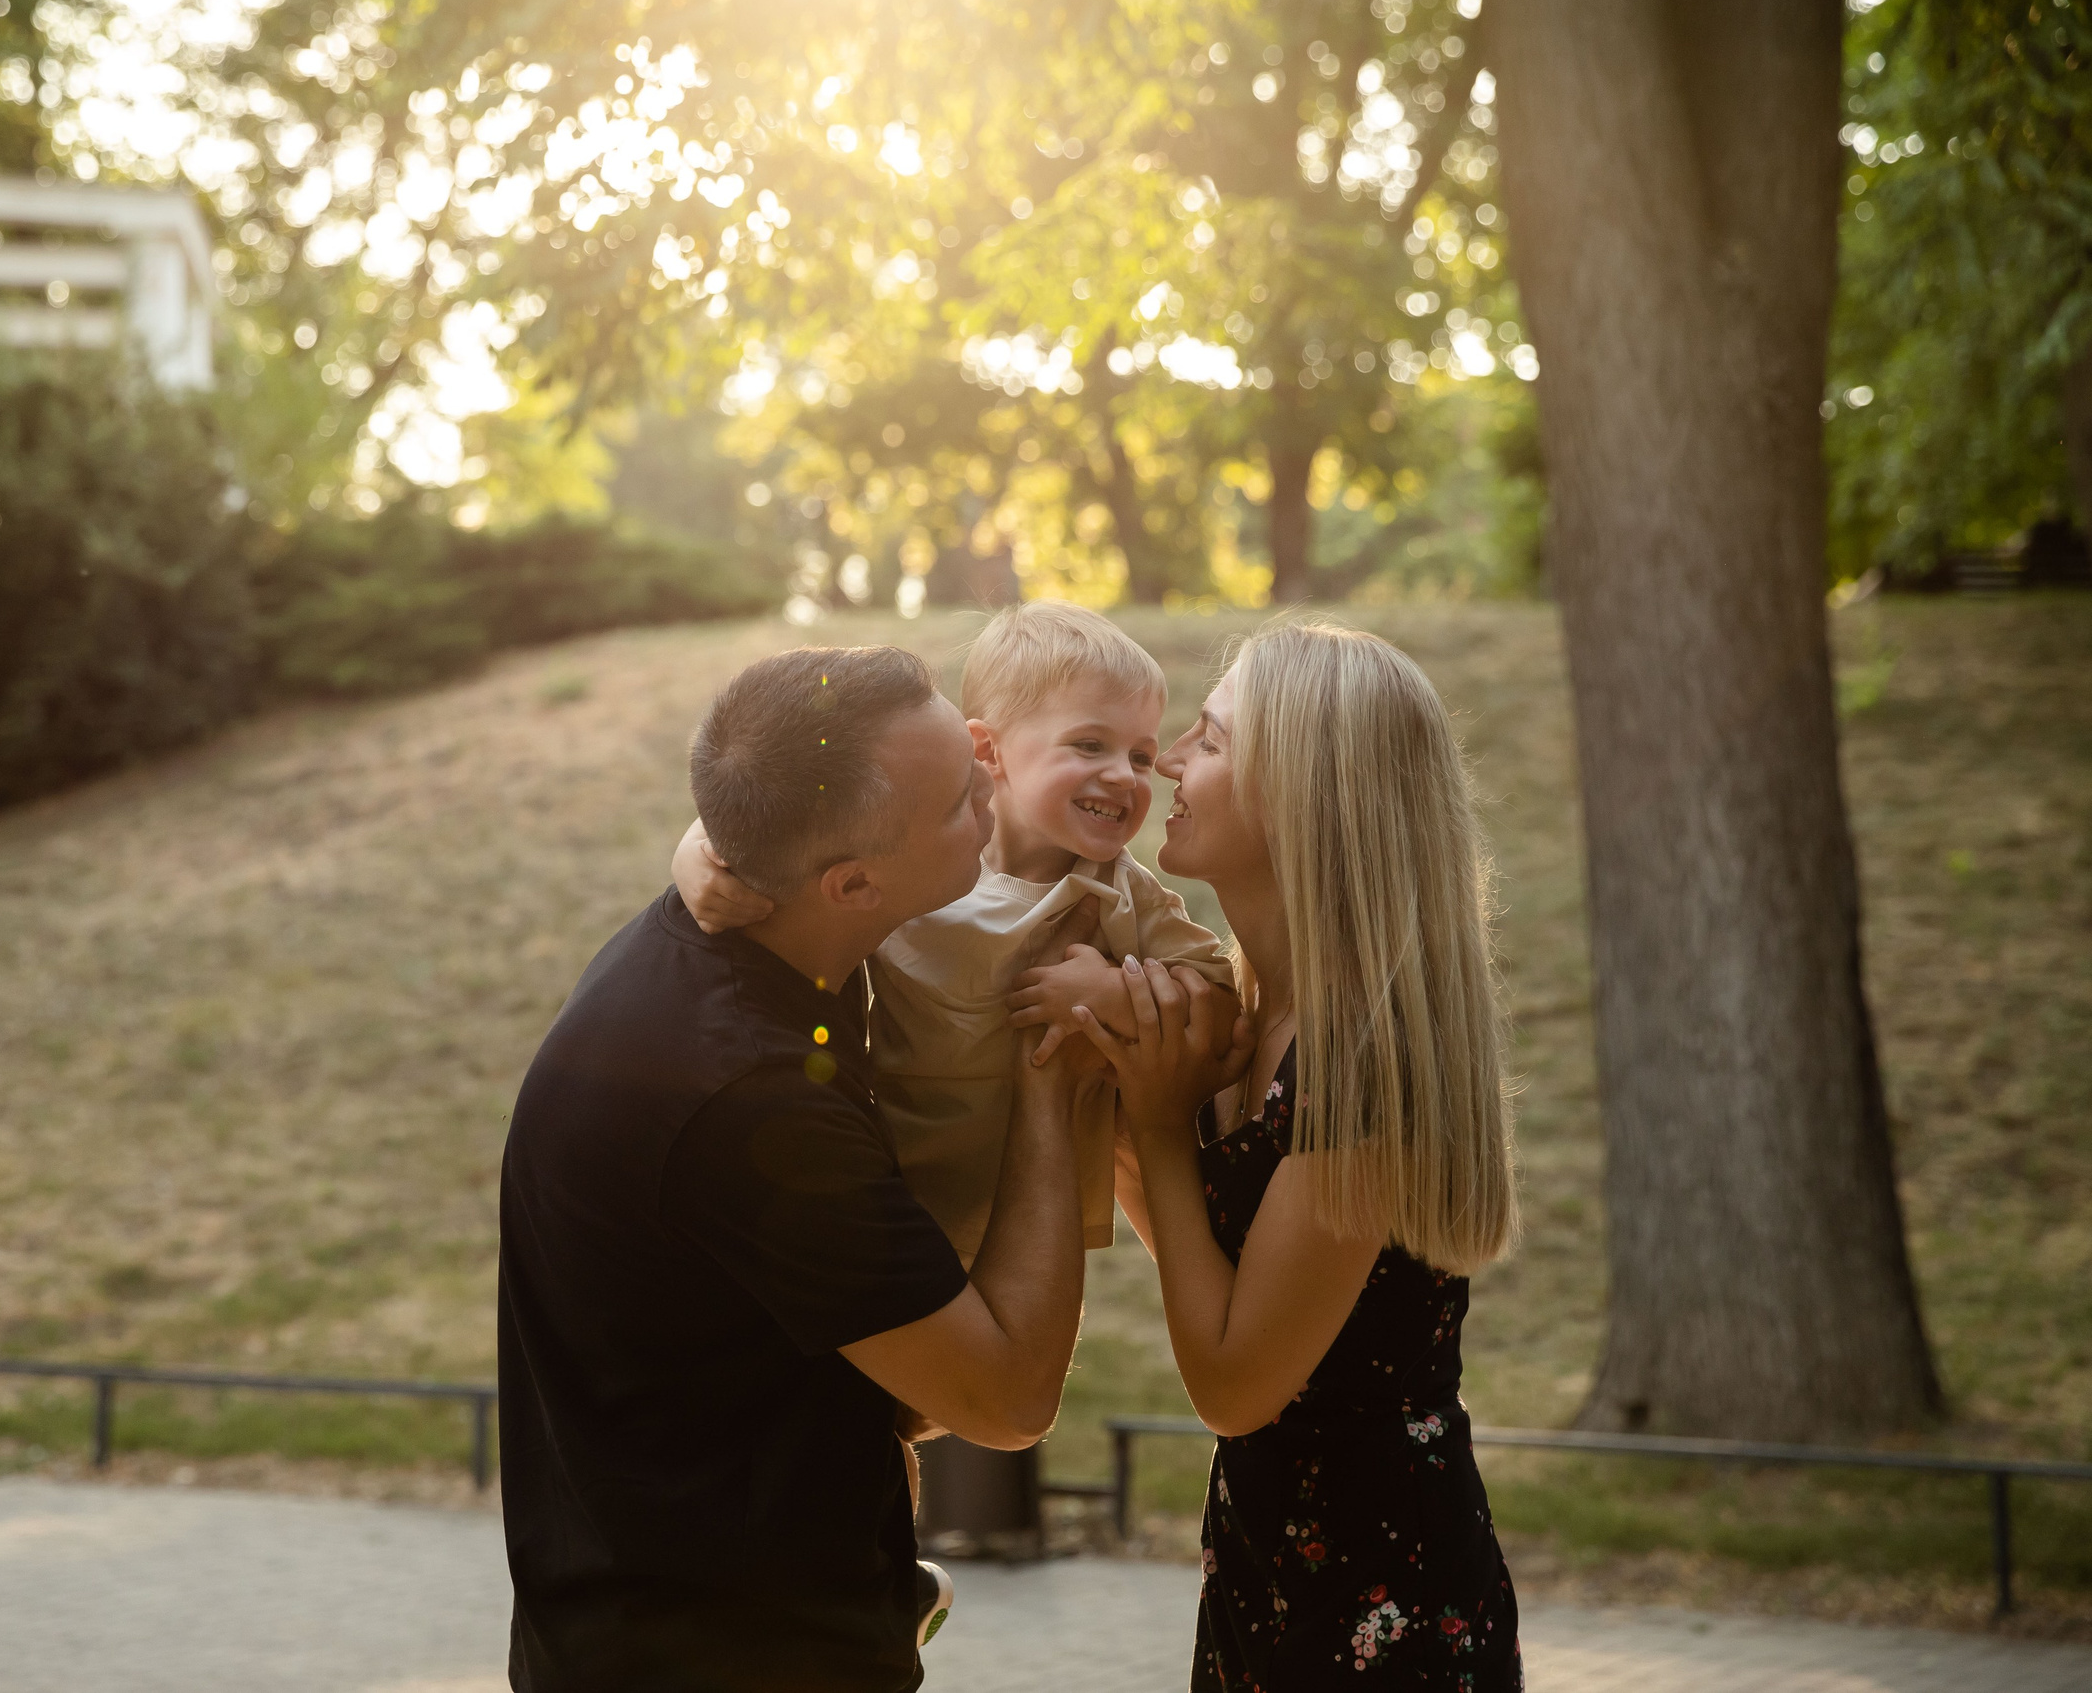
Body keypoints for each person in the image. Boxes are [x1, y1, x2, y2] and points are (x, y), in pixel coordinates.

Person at [496, 644, 1102, 1692]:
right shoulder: (746, 1095)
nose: (995, 787)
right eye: (964, 798)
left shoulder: (749, 924)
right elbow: (1004, 1400)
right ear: (852, 882)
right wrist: (1054, 1081)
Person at [1020, 620, 1523, 1690]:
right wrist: (1122, 1113)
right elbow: (1225, 1281)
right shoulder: (1256, 1011)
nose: (1168, 763)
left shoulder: (1362, 1052)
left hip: (1382, 1602)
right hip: (1269, 1559)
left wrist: (1157, 1126)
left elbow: (1234, 1383)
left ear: (1301, 789)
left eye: (1208, 737)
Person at [674, 601, 1234, 1264]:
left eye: (1140, 756)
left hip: (1039, 1199)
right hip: (905, 1178)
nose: (1123, 773)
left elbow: (1220, 1002)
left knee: (1026, 1336)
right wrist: (695, 854)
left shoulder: (1117, 887)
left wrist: (1110, 991)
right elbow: (788, 834)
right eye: (1090, 744)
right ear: (988, 750)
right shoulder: (925, 863)